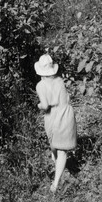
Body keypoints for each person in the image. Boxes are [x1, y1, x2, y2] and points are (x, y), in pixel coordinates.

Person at [34, 54, 77, 193]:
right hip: (66, 114)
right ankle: (58, 179)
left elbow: (45, 106)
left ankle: (55, 183)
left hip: (52, 117)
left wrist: (39, 105)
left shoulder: (40, 85)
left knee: (55, 146)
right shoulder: (59, 80)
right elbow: (66, 97)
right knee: (61, 150)